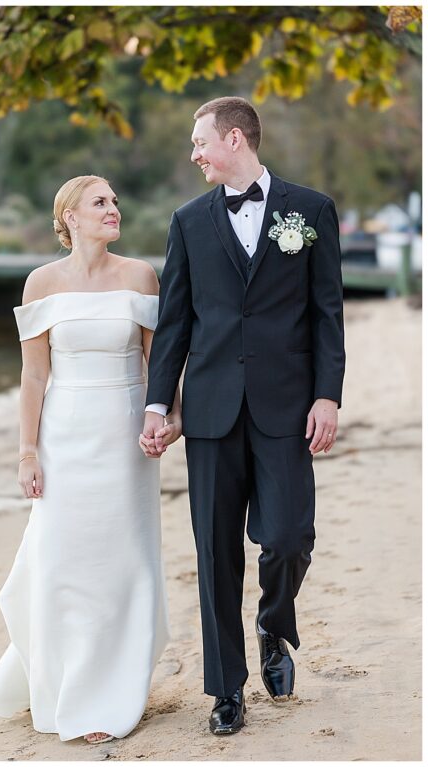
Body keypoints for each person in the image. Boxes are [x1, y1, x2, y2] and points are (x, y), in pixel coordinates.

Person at [142, 96, 344, 735]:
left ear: (235, 138)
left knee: (287, 538)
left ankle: (273, 625)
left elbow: (326, 313)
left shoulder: (310, 211)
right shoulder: (188, 221)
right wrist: (157, 403)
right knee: (215, 555)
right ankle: (226, 689)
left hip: (288, 404)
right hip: (209, 410)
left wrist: (328, 394)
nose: (194, 152)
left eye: (200, 141)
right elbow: (175, 321)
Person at [0, 175, 178, 743]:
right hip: (64, 439)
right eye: (100, 202)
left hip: (125, 440)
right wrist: (26, 452)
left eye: (116, 200)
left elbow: (157, 362)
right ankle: (65, 681)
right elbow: (34, 375)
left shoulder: (140, 275)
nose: (113, 209)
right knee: (63, 562)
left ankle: (110, 693)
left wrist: (168, 417)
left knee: (122, 560)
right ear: (69, 216)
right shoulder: (40, 284)